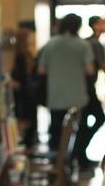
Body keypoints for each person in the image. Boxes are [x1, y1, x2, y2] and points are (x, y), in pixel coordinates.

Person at [39, 14, 93, 160]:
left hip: (56, 95)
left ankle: (57, 164)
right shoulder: (83, 45)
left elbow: (41, 70)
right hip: (77, 96)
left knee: (56, 131)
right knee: (78, 129)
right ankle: (77, 158)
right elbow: (90, 70)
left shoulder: (51, 44)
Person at [74, 16, 105, 172]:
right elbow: (102, 67)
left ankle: (80, 155)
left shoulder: (87, 42)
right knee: (99, 118)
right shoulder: (94, 43)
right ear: (95, 25)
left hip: (81, 87)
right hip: (87, 88)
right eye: (102, 22)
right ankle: (78, 154)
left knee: (84, 122)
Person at [11, 23, 39, 149]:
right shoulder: (21, 55)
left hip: (28, 91)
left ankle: (29, 143)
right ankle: (28, 144)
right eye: (29, 36)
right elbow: (21, 76)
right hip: (26, 93)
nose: (32, 38)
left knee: (29, 119)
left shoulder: (26, 54)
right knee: (27, 119)